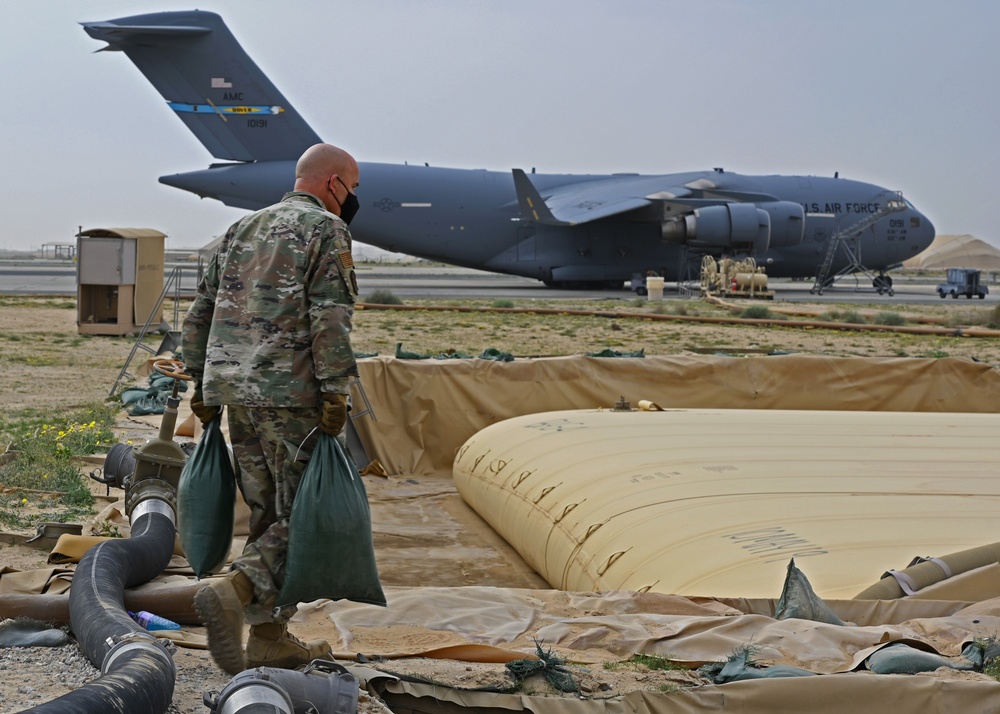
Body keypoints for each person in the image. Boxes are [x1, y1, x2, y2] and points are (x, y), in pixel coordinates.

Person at [182, 143, 361, 675]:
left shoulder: (241, 229)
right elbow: (330, 315)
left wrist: (200, 383)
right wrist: (335, 391)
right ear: (333, 183)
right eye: (351, 188)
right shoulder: (327, 230)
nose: (352, 199)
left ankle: (267, 638)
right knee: (306, 510)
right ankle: (233, 592)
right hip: (293, 394)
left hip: (236, 391)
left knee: (266, 508)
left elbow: (202, 310)